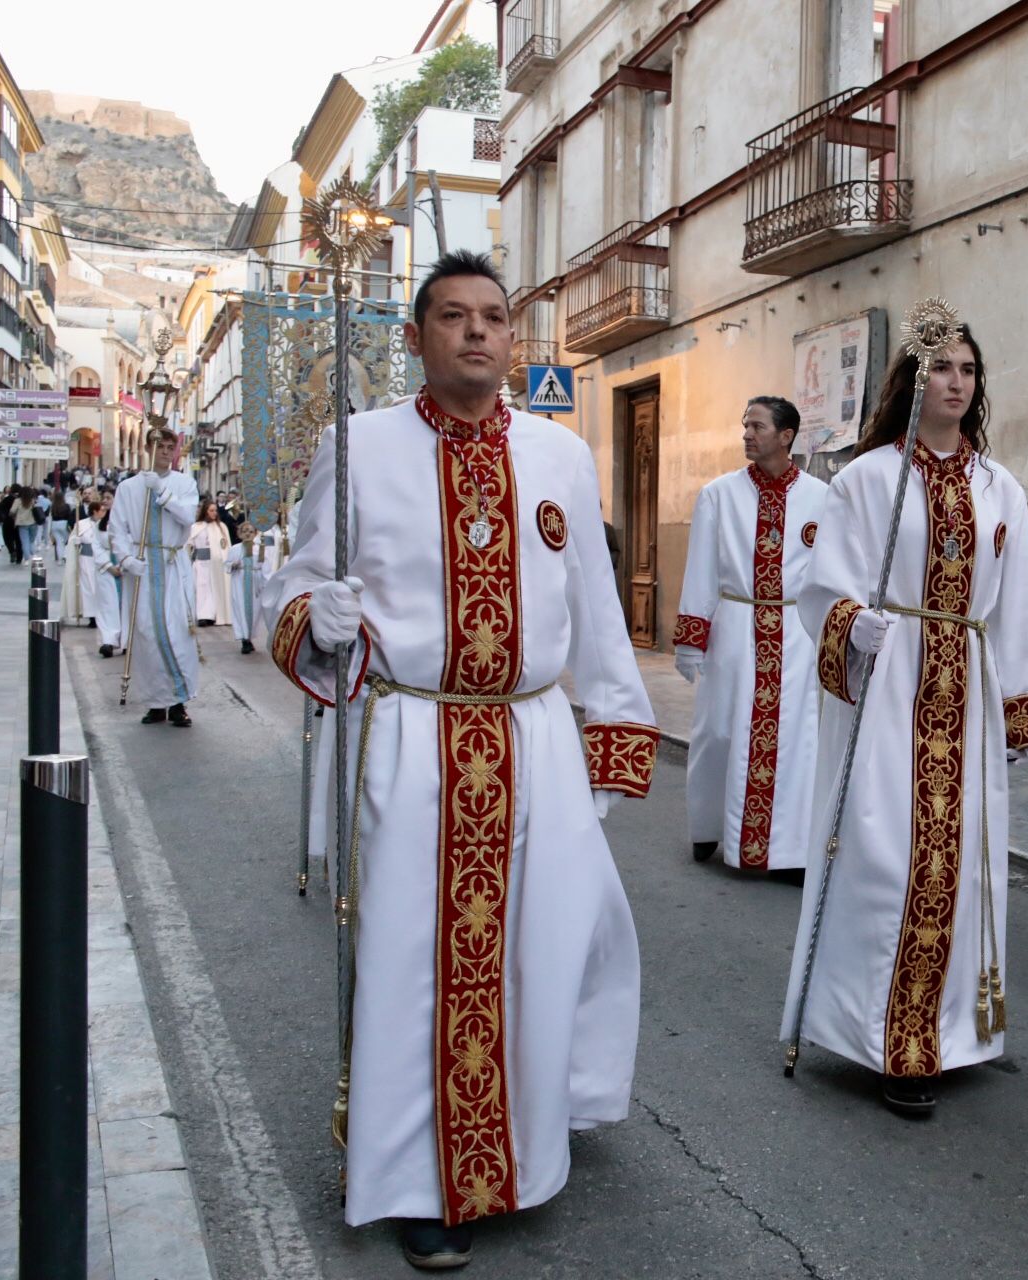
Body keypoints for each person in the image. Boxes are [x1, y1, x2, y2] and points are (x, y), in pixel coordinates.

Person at [260, 250, 654, 1269]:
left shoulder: (561, 456)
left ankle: (525, 1134)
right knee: (414, 959)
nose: (476, 332)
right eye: (453, 316)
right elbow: (294, 588)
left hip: (534, 737)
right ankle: (420, 1178)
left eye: (493, 316)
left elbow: (597, 607)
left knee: (554, 942)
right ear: (417, 335)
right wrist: (320, 614)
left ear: (512, 336)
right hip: (411, 738)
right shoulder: (356, 449)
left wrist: (611, 730)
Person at [779, 327, 1028, 1119]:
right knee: (885, 858)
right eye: (942, 370)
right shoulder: (868, 480)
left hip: (964, 685)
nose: (958, 383)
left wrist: (1023, 706)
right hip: (890, 679)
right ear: (912, 383)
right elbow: (823, 586)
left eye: (970, 369)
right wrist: (849, 624)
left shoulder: (1003, 489)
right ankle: (883, 1037)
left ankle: (950, 1031)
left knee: (960, 867)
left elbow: (1019, 610)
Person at [672, 396, 828, 873]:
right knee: (720, 732)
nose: (746, 434)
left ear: (786, 436)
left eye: (757, 426)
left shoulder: (823, 498)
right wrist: (691, 639)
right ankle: (709, 827)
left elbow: (832, 572)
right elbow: (701, 569)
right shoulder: (719, 494)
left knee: (797, 742)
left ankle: (788, 854)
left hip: (797, 636)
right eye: (745, 425)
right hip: (736, 632)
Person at [112, 429, 201, 726]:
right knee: (147, 634)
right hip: (143, 568)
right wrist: (125, 558)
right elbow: (118, 528)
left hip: (173, 565)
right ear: (148, 448)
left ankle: (178, 701)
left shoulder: (184, 484)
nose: (164, 452)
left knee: (177, 632)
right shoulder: (128, 487)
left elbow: (188, 517)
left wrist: (163, 495)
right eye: (159, 446)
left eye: (168, 447)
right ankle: (155, 702)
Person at [223, 518, 272, 654]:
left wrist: (266, 585)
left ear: (255, 533)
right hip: (239, 582)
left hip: (255, 584)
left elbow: (266, 569)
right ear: (239, 533)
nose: (248, 534)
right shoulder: (235, 549)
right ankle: (244, 639)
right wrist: (233, 565)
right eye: (245, 531)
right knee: (240, 610)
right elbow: (226, 564)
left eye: (251, 531)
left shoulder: (260, 550)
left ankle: (249, 637)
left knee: (255, 613)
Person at [187, 500, 233, 626]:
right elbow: (189, 544)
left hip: (217, 566)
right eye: (211, 510)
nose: (214, 513)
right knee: (202, 590)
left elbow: (226, 546)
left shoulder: (221, 527)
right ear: (205, 511)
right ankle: (203, 616)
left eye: (215, 510)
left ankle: (216, 615)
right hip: (201, 563)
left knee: (215, 591)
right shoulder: (196, 527)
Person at [90, 495, 126, 657]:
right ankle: (108, 641)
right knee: (107, 607)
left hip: (124, 569)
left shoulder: (127, 527)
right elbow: (96, 547)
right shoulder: (99, 526)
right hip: (106, 571)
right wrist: (109, 566)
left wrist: (123, 564)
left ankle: (126, 640)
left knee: (126, 606)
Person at [63, 498, 102, 625]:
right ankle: (91, 616)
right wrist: (76, 540)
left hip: (101, 561)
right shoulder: (82, 524)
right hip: (86, 560)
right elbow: (73, 539)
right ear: (94, 511)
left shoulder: (106, 523)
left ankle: (100, 615)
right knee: (88, 589)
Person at [13, 486, 38, 561]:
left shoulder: (18, 501)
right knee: (31, 540)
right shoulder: (33, 500)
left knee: (24, 541)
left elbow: (12, 511)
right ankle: (33, 553)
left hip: (22, 523)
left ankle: (27, 558)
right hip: (33, 522)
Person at [49, 488, 73, 563]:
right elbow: (69, 515)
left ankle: (60, 559)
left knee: (59, 542)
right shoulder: (67, 506)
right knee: (67, 541)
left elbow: (51, 516)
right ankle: (65, 556)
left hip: (54, 524)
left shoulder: (53, 506)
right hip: (64, 523)